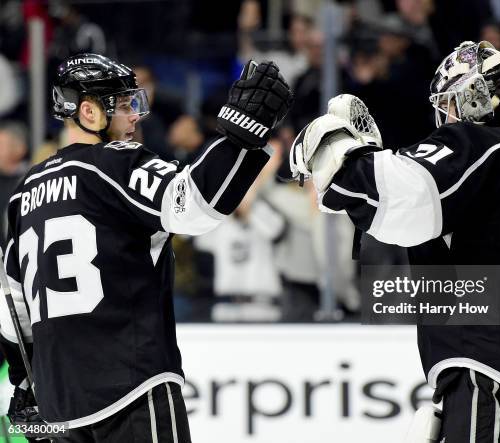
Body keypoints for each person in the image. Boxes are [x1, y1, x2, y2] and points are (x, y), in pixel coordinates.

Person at [290, 41, 500, 442]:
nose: (448, 117)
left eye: (452, 104)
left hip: (495, 375)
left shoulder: (479, 146)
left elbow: (391, 197)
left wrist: (331, 146)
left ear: (476, 99)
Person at [0, 53, 292, 442]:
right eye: (123, 106)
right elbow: (192, 209)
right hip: (130, 387)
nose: (135, 115)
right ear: (88, 112)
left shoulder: (25, 192)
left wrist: (23, 384)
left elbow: (12, 309)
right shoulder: (114, 163)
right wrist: (241, 135)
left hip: (60, 405)